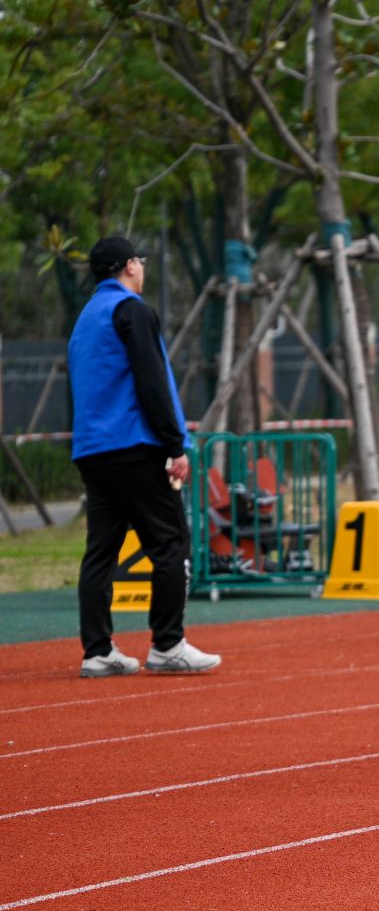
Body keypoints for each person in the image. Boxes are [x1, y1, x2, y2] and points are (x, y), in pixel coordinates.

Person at [68, 235, 220, 677]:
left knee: (101, 552)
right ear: (130, 265)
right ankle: (168, 644)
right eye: (140, 261)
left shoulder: (84, 319)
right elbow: (152, 381)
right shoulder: (131, 310)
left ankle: (98, 651)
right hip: (134, 445)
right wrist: (174, 444)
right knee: (171, 542)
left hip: (92, 450)